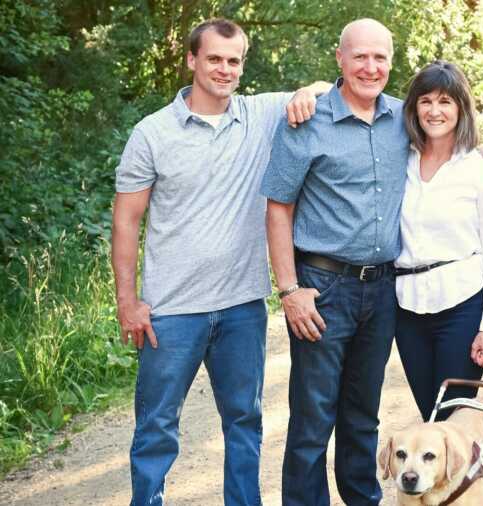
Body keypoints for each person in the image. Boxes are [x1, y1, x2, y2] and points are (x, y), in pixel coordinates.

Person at [261, 20, 483, 506]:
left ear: (391, 63)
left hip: (383, 290)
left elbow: (448, 131)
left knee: (362, 415)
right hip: (322, 286)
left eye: (380, 58)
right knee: (313, 417)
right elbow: (278, 207)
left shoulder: (401, 119)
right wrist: (289, 289)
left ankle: (362, 500)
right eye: (360, 57)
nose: (370, 67)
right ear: (339, 59)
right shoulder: (306, 118)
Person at [112, 18, 313, 506]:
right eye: (214, 59)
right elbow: (126, 221)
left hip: (242, 306)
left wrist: (310, 89)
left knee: (245, 423)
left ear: (242, 66)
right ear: (191, 61)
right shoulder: (152, 133)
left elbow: (330, 87)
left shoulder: (261, 115)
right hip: (171, 312)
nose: (224, 69)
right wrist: (128, 302)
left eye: (234, 60)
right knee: (157, 429)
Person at [393, 60, 483, 422]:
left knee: (456, 420)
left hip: (462, 305)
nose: (434, 110)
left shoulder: (480, 169)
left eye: (445, 101)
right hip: (407, 308)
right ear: (414, 108)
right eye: (425, 101)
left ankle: (468, 481)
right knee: (431, 419)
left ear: (461, 108)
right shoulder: (399, 160)